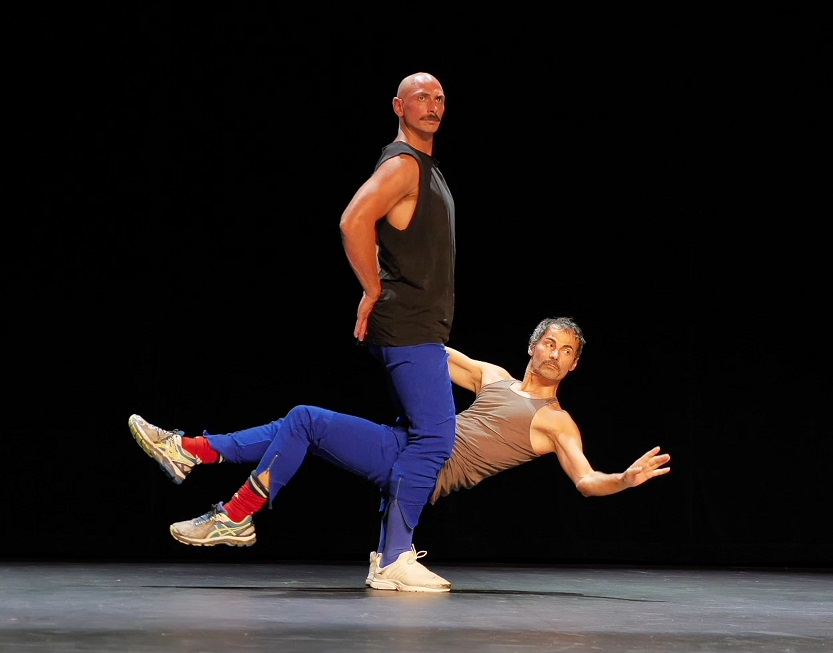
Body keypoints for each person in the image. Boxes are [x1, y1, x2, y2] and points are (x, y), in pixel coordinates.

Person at [129, 317, 671, 593]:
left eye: (566, 351)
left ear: (574, 366)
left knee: (310, 423)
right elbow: (430, 352)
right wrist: (388, 313)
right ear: (533, 347)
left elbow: (585, 480)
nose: (555, 355)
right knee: (303, 419)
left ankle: (232, 505)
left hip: (428, 467)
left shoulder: (557, 421)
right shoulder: (494, 377)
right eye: (550, 343)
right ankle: (190, 452)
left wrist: (623, 479)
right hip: (403, 444)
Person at [338, 72, 456, 588]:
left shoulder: (424, 167)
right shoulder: (404, 164)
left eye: (439, 98)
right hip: (408, 324)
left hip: (419, 324)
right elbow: (353, 221)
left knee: (412, 439)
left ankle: (390, 556)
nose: (432, 105)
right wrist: (371, 288)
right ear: (398, 106)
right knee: (435, 437)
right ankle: (394, 558)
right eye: (421, 97)